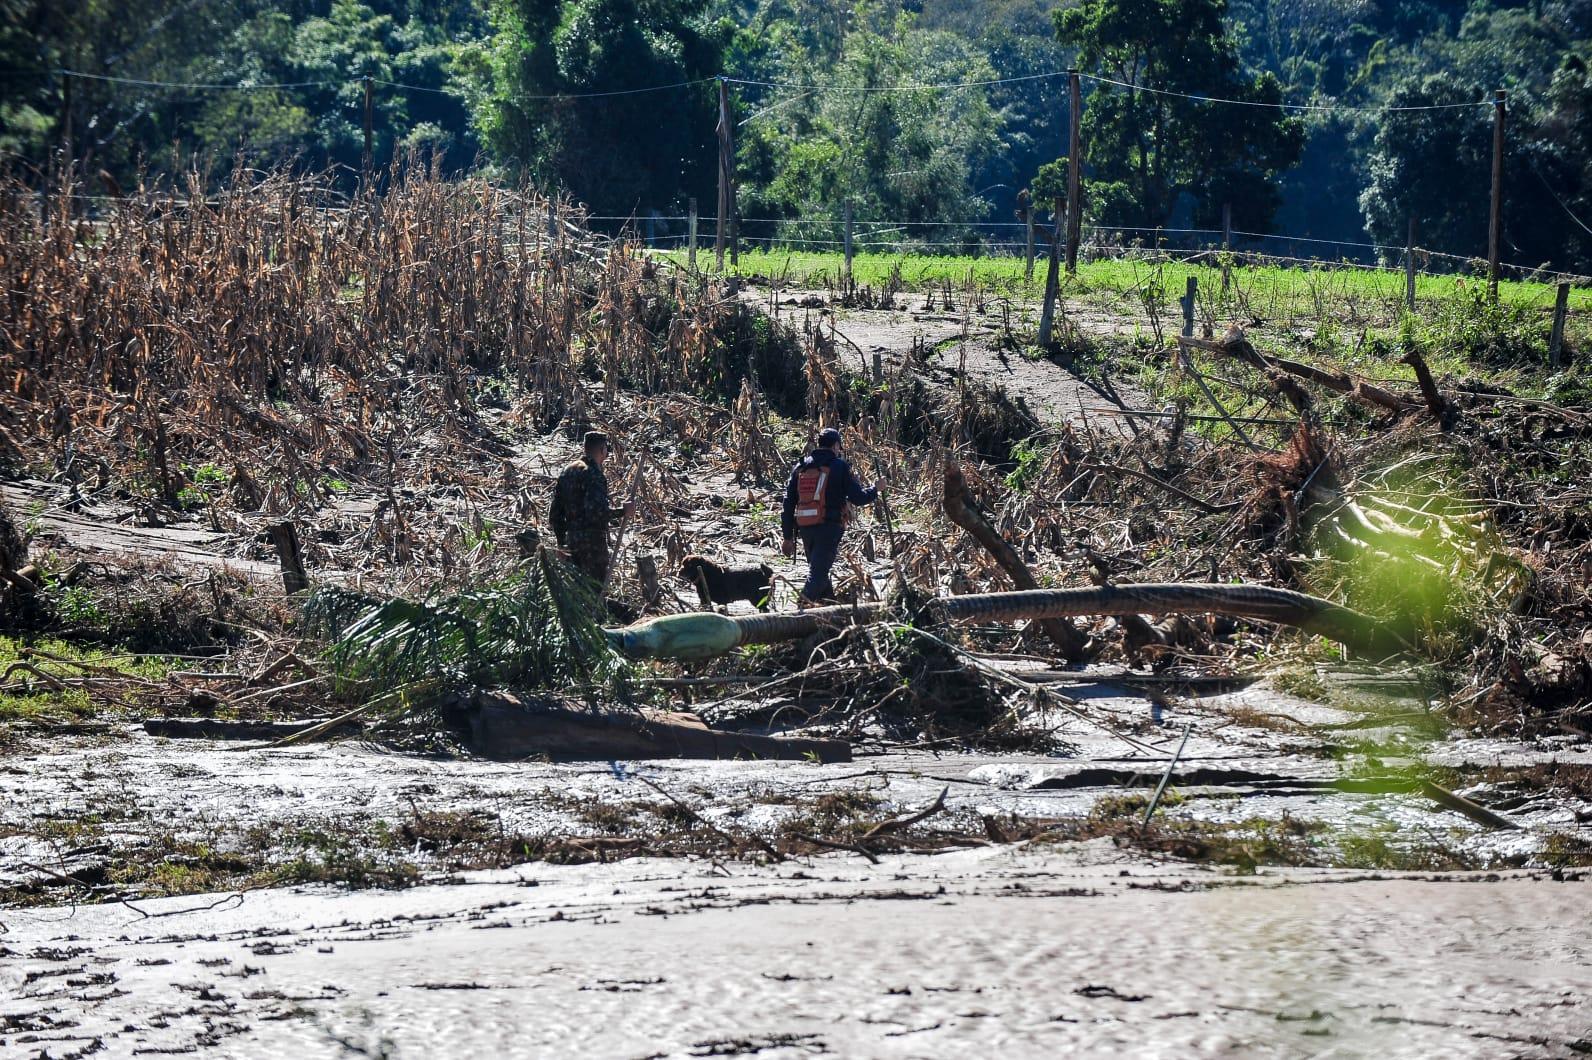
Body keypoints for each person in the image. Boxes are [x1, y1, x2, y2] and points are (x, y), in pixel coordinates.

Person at [781, 427, 879, 605]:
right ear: (835, 446)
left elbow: (788, 503)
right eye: (839, 447)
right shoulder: (839, 466)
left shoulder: (801, 466)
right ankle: (797, 613)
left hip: (805, 527)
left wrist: (787, 537)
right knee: (817, 575)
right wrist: (876, 489)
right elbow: (858, 498)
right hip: (829, 527)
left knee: (820, 571)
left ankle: (830, 608)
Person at [548, 431, 630, 585]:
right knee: (594, 588)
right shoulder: (593, 474)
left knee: (575, 589)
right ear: (602, 450)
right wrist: (623, 512)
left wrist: (561, 543)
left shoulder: (567, 471)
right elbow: (596, 513)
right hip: (592, 547)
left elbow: (555, 513)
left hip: (571, 542)